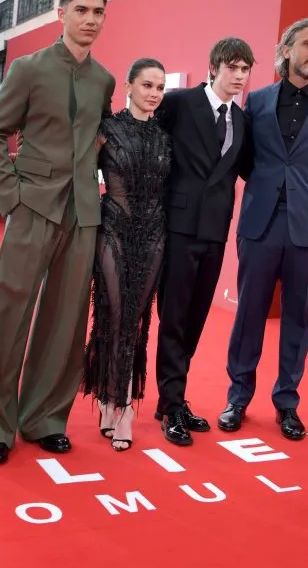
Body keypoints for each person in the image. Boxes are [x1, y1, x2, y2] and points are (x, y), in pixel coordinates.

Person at [0, 0, 115, 466]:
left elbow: (100, 140)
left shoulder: (104, 80)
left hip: (82, 213)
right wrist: (10, 196)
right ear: (61, 14)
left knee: (66, 322)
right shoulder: (28, 68)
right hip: (32, 207)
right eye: (81, 10)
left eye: (98, 11)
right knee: (9, 314)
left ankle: (45, 418)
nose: (90, 19)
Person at [218, 18, 308, 441]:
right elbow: (244, 160)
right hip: (260, 225)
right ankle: (237, 397)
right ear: (287, 50)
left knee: (298, 318)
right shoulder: (257, 101)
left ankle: (287, 403)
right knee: (248, 315)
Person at [153, 38, 254, 446]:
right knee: (174, 316)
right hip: (177, 226)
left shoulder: (242, 121)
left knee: (195, 318)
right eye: (233, 68)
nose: (240, 77)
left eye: (245, 70)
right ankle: (172, 402)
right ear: (214, 67)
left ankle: (170, 398)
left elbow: (248, 170)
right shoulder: (179, 103)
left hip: (215, 230)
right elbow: (151, 147)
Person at [84, 58, 170, 452]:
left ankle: (125, 407)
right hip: (113, 230)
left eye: (159, 87)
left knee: (137, 321)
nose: (153, 93)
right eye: (147, 85)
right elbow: (80, 173)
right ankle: (107, 395)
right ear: (129, 85)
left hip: (153, 236)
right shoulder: (106, 130)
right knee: (112, 314)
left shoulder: (166, 137)